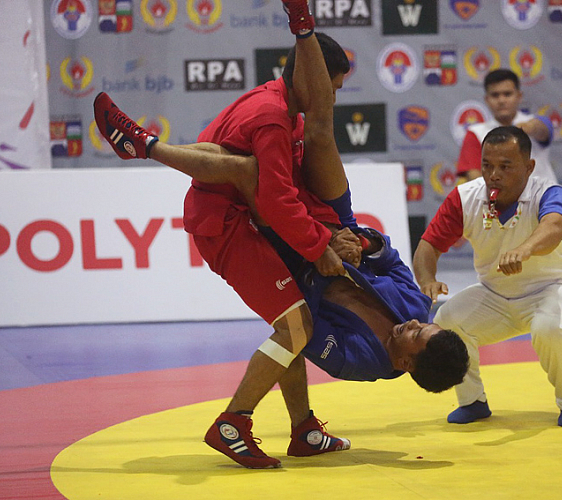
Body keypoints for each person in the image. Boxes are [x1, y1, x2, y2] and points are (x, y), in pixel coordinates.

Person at [93, 0, 468, 469]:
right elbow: (390, 259)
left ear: (408, 364)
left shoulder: (359, 360)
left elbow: (295, 331)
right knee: (321, 132)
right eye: (424, 323)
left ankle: (235, 422)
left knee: (289, 310)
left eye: (417, 334)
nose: (415, 321)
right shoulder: (413, 308)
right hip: (315, 234)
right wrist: (362, 242)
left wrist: (320, 249)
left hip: (279, 242)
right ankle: (302, 24)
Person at [413, 126, 562, 428]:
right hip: (494, 294)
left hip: (550, 289)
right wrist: (427, 279)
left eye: (505, 166)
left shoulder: (548, 192)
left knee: (551, 329)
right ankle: (472, 401)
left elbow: (556, 226)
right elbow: (427, 246)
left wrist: (526, 249)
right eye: (486, 165)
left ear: (529, 167)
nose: (494, 174)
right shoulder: (464, 198)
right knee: (446, 320)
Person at [456, 69, 562, 314]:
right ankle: (501, 294)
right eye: (495, 95)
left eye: (508, 93)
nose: (502, 99)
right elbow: (471, 176)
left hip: (548, 203)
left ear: (519, 95)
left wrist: (523, 129)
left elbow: (543, 128)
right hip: (504, 207)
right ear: (486, 99)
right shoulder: (477, 133)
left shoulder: (533, 124)